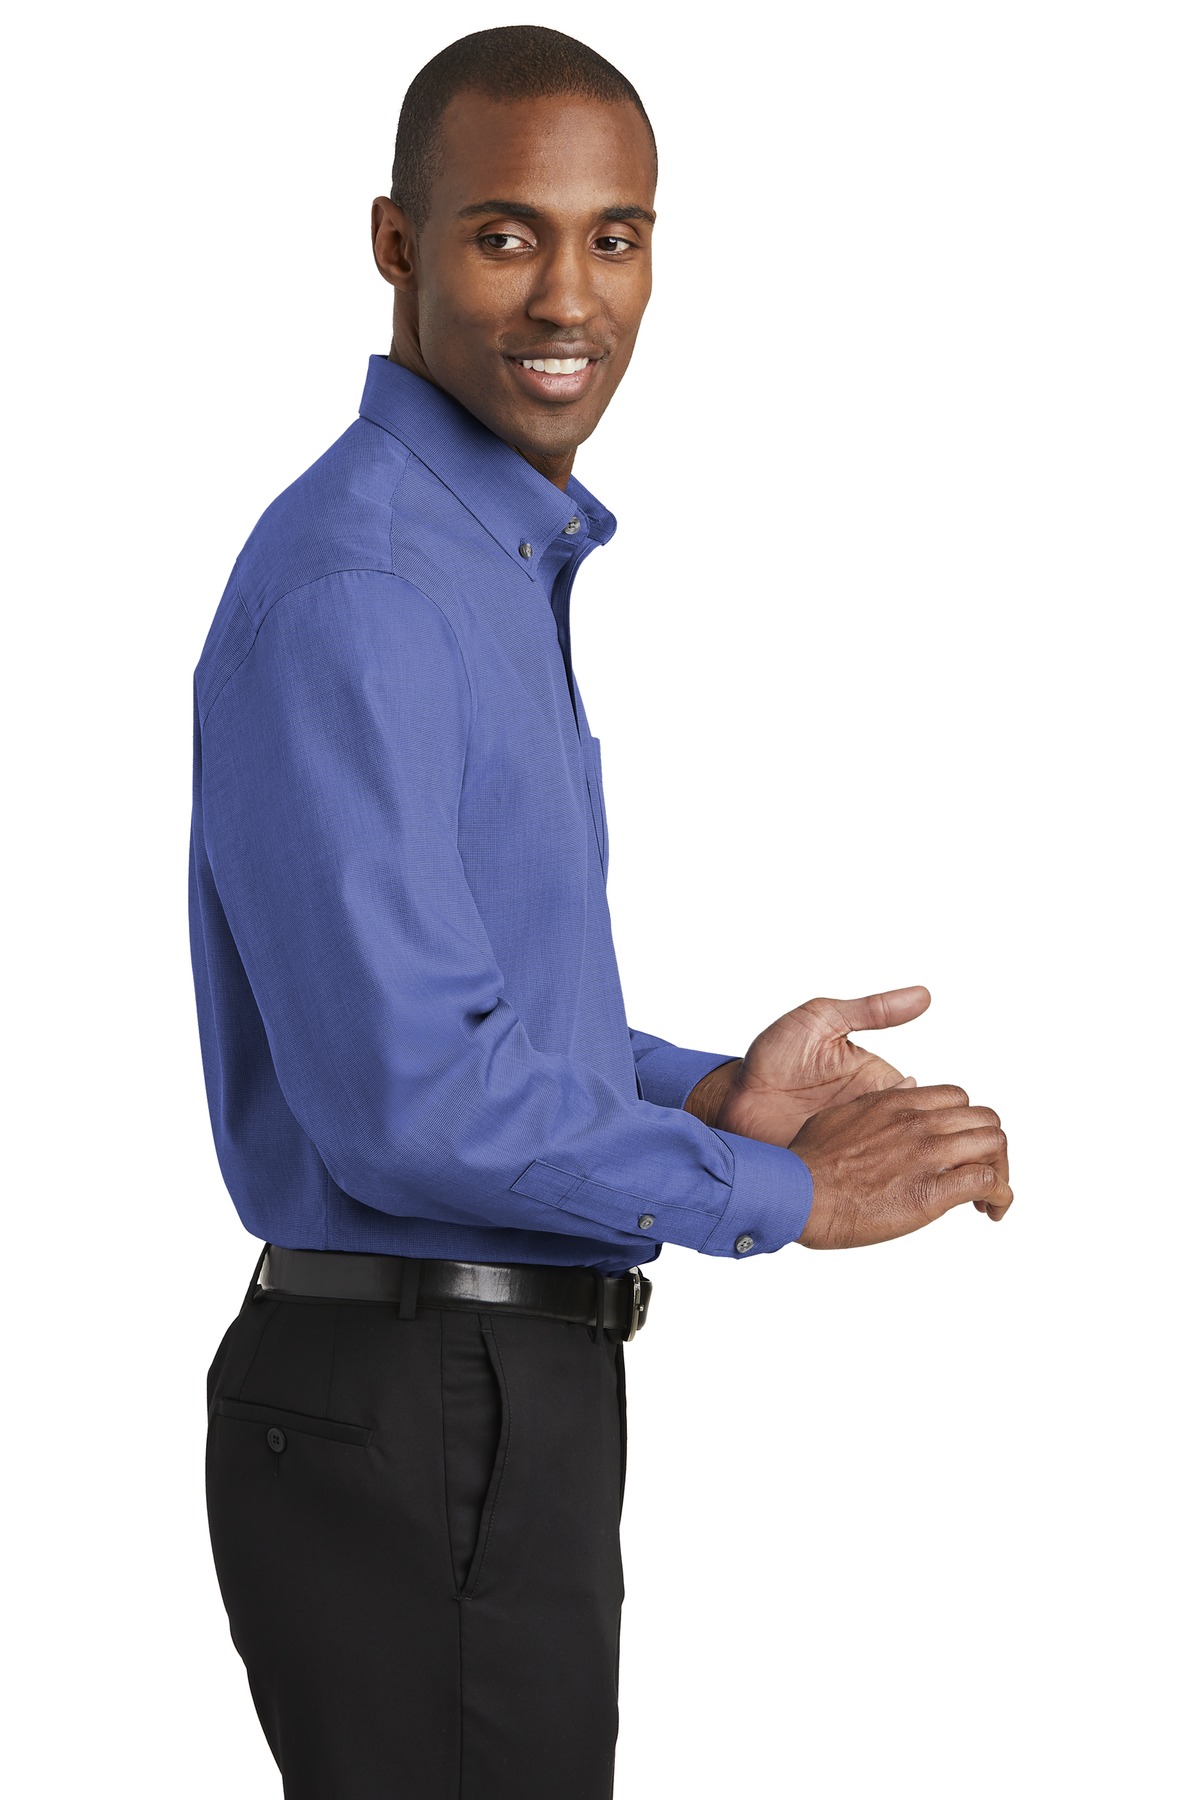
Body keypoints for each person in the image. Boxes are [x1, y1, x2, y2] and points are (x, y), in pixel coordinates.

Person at [189, 24, 1012, 1799]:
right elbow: (413, 1099)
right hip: (421, 1390)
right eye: (507, 235)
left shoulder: (479, 562)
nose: (571, 296)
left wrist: (711, 1094)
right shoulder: (366, 587)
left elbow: (469, 1014)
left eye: (614, 236)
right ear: (397, 244)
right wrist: (787, 1196)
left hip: (477, 1388)